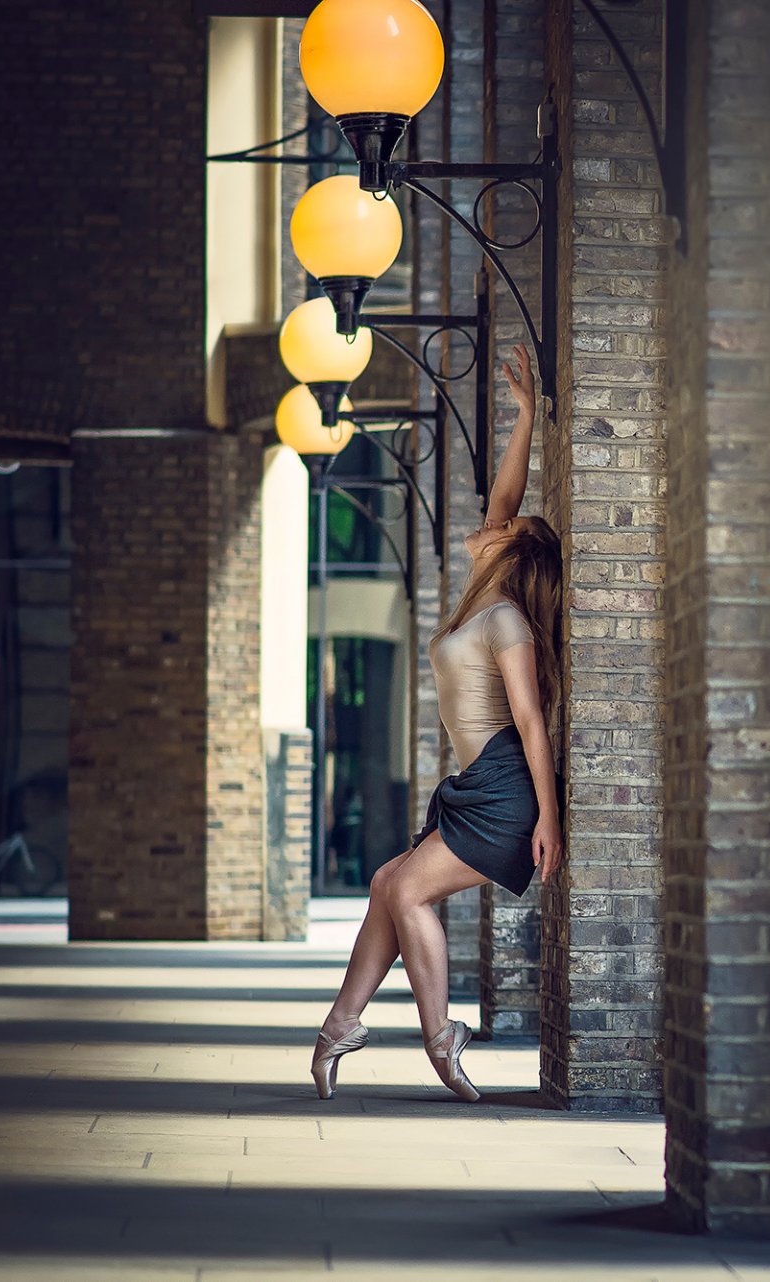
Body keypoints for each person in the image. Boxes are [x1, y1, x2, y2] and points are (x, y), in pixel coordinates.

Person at [310, 343, 564, 1103]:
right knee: (390, 881)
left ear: (513, 552)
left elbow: (531, 720)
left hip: (506, 791)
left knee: (407, 890)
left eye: (507, 524)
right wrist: (523, 417)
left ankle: (439, 1037)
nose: (496, 517)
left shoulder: (509, 623)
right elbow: (504, 496)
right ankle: (338, 1030)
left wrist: (548, 816)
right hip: (476, 785)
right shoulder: (484, 598)